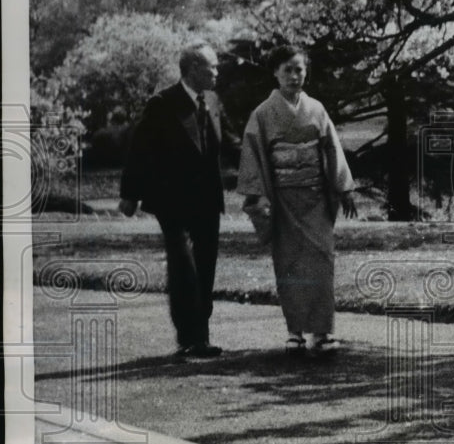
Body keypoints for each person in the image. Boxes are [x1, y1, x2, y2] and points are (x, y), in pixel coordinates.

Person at [119, 42, 240, 359]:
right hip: (172, 201)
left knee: (206, 267)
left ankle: (201, 336)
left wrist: (265, 164)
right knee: (184, 266)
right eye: (212, 67)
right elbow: (139, 151)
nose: (217, 72)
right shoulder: (162, 104)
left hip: (207, 200)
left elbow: (231, 143)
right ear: (193, 69)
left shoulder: (212, 101)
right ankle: (188, 338)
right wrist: (129, 195)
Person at [237, 46, 358, 355]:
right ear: (275, 72)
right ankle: (294, 332)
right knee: (288, 264)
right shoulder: (263, 114)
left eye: (299, 69)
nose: (293, 76)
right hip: (284, 201)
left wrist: (344, 188)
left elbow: (331, 149)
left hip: (316, 199)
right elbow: (253, 158)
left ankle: (321, 332)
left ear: (306, 72)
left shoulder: (317, 109)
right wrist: (258, 199)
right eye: (287, 69)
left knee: (321, 261)